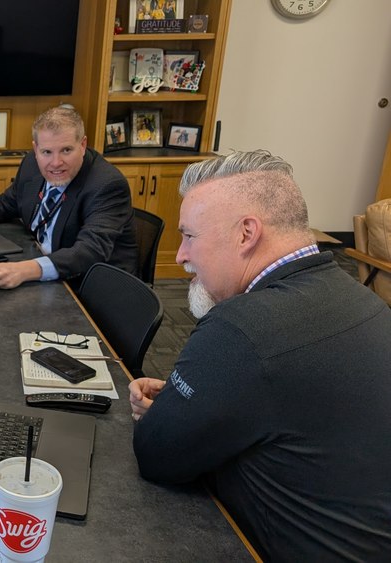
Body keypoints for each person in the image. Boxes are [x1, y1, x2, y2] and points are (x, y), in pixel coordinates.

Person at [129, 150, 391, 560]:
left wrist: (178, 415)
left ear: (246, 234)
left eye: (190, 236)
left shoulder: (241, 328)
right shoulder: (364, 300)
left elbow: (157, 453)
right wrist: (203, 403)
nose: (180, 255)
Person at [0, 106, 137, 290]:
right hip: (44, 271)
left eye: (66, 150)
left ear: (83, 145)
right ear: (36, 150)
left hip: (87, 288)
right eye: (47, 152)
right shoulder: (32, 164)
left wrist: (26, 269)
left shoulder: (106, 185)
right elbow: (7, 203)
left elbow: (90, 250)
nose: (55, 162)